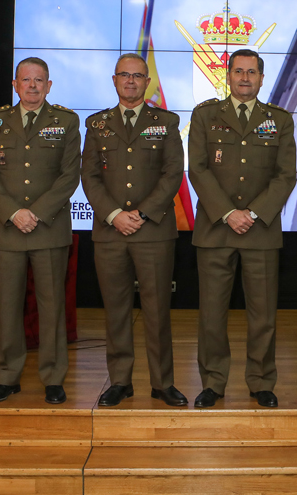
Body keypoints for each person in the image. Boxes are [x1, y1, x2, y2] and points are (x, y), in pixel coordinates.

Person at [188, 49, 296, 408]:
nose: (245, 78)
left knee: (263, 314)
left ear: (262, 79)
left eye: (252, 72)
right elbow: (198, 169)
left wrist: (253, 213)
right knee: (212, 313)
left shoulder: (279, 119)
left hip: (260, 230)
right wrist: (228, 213)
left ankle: (262, 381)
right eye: (239, 71)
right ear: (228, 76)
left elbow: (285, 175)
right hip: (216, 229)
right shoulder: (205, 115)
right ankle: (213, 383)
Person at [81, 54, 187, 408]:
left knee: (157, 312)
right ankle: (120, 382)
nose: (130, 81)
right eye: (124, 75)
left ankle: (162, 383)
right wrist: (114, 214)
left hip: (153, 230)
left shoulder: (167, 122)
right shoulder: (96, 124)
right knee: (116, 310)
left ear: (147, 82)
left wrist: (140, 213)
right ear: (114, 80)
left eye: (137, 76)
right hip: (110, 232)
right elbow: (90, 177)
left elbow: (173, 174)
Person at [0, 57, 81, 405]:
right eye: (26, 80)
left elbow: (69, 176)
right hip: (6, 228)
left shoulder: (65, 121)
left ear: (49, 86)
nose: (33, 86)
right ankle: (8, 376)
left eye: (40, 80)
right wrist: (14, 213)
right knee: (8, 307)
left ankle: (53, 377)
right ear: (15, 84)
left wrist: (35, 213)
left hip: (47, 227)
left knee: (52, 308)